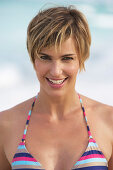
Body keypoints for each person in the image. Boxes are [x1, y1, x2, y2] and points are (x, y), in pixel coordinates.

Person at [0, 5, 113, 170]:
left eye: (67, 58)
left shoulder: (109, 121)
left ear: (81, 58)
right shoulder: (5, 125)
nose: (55, 71)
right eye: (45, 57)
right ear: (33, 58)